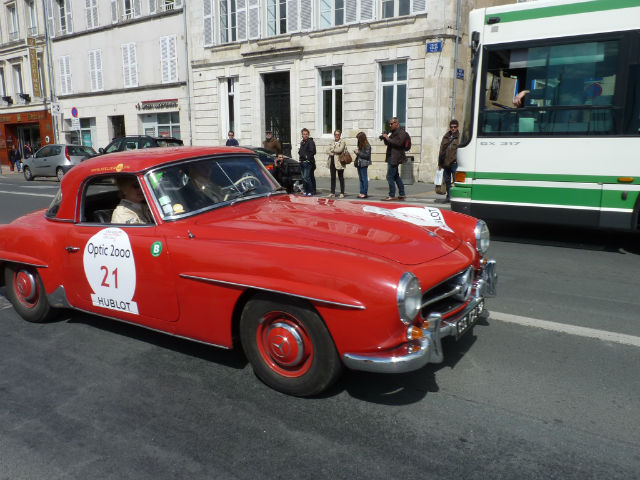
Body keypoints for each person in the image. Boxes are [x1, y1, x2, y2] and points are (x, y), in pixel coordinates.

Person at [380, 117, 407, 201]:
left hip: (395, 157)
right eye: (389, 123)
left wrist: (388, 138)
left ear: (396, 123)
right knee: (395, 176)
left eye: (392, 123)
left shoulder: (402, 132)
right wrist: (385, 138)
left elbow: (399, 143)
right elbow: (389, 143)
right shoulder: (393, 132)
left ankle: (391, 195)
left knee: (389, 176)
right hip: (391, 156)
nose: (390, 125)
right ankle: (402, 194)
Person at [438, 119, 460, 202]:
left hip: (454, 162)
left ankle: (456, 196)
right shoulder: (446, 136)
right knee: (447, 180)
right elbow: (441, 150)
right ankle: (449, 196)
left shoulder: (460, 137)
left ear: (457, 127)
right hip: (445, 162)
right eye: (451, 127)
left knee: (455, 181)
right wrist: (440, 163)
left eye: (455, 127)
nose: (453, 129)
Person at [326, 130, 346, 198]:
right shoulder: (332, 141)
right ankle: (332, 192)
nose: (337, 136)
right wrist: (333, 152)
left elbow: (340, 150)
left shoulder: (342, 141)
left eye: (338, 134)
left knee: (341, 178)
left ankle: (342, 193)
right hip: (332, 161)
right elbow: (327, 150)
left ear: (340, 135)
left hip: (339, 162)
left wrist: (332, 150)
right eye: (335, 134)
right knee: (333, 178)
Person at [298, 128, 316, 196]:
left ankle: (311, 191)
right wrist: (299, 152)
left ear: (308, 135)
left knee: (307, 177)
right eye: (304, 134)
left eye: (306, 134)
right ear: (302, 135)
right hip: (302, 161)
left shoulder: (310, 142)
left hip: (307, 162)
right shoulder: (302, 142)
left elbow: (313, 152)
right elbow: (301, 151)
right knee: (303, 178)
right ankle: (305, 190)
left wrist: (307, 158)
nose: (305, 135)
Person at [354, 132, 371, 198]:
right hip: (359, 163)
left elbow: (367, 156)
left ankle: (365, 193)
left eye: (358, 138)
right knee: (361, 178)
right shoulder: (361, 145)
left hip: (364, 163)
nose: (358, 140)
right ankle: (361, 192)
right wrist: (357, 152)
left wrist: (358, 152)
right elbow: (361, 154)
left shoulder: (367, 145)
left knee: (364, 178)